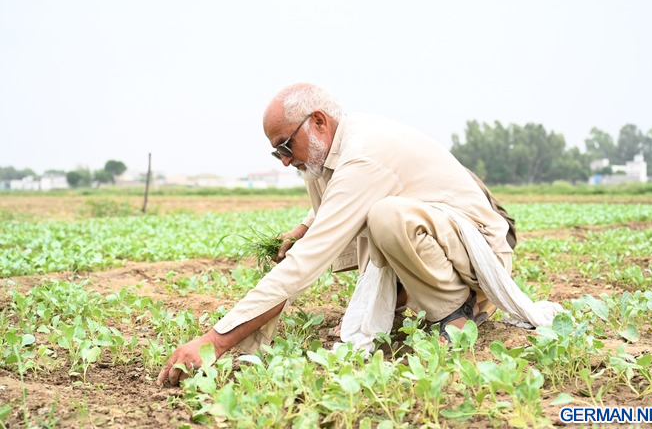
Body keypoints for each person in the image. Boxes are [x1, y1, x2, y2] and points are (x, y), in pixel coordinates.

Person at [157, 82, 550, 387]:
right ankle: (403, 302)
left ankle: (458, 312)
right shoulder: (333, 149)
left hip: (480, 254)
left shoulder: (364, 154)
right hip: (446, 240)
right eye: (277, 153)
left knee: (386, 216)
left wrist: (214, 341)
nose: (286, 160)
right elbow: (334, 202)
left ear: (318, 121)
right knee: (375, 214)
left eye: (286, 146)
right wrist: (305, 227)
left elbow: (304, 265)